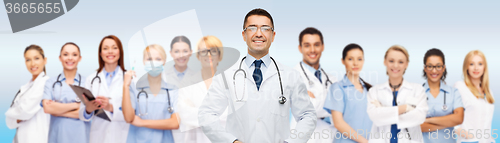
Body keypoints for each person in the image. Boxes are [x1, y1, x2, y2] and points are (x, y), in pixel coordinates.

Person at [198, 8, 316, 143]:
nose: (259, 34)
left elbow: (307, 115)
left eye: (265, 28)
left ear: (273, 35)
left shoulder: (291, 76)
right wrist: (231, 141)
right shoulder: (226, 76)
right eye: (252, 28)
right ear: (244, 35)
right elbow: (206, 114)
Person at [367, 45, 428, 143]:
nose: (395, 65)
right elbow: (375, 117)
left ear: (406, 64)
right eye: (391, 61)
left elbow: (419, 117)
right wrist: (405, 108)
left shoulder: (417, 90)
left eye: (400, 62)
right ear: (385, 62)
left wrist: (383, 111)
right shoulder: (374, 91)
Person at [122, 44, 179, 143]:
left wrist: (142, 122)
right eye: (149, 59)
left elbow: (175, 123)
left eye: (158, 59)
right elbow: (128, 118)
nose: (153, 63)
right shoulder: (135, 88)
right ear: (144, 62)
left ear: (164, 62)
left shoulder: (172, 89)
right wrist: (125, 86)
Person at [79, 35, 130, 143]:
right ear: (100, 53)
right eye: (105, 48)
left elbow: (133, 114)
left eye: (114, 48)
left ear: (120, 52)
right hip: (98, 137)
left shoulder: (130, 78)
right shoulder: (91, 79)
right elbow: (82, 115)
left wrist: (111, 107)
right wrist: (88, 109)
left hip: (122, 136)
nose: (110, 51)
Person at [177, 35, 228, 143]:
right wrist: (215, 115)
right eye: (203, 51)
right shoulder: (187, 83)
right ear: (198, 56)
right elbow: (185, 114)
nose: (208, 55)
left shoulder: (229, 83)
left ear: (219, 55)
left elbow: (231, 115)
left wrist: (200, 114)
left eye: (213, 51)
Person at [292, 27, 336, 143]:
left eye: (316, 45)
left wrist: (316, 103)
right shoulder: (291, 77)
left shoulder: (332, 79)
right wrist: (335, 109)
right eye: (307, 45)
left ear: (322, 47)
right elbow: (309, 109)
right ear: (300, 48)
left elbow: (345, 111)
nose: (312, 50)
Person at [41, 42, 90, 143]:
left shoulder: (88, 83)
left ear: (80, 58)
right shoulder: (51, 83)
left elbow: (88, 113)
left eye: (74, 55)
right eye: (66, 54)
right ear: (60, 58)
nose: (70, 58)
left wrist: (57, 110)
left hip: (81, 138)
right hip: (57, 137)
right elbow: (47, 108)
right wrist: (77, 105)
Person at [324, 43, 373, 143]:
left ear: (363, 61)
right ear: (343, 61)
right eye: (350, 59)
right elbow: (338, 123)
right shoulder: (337, 88)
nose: (355, 63)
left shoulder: (369, 90)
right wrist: (365, 142)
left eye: (359, 59)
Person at [5, 45, 50, 143]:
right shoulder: (24, 88)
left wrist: (11, 114)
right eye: (28, 60)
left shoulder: (46, 84)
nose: (32, 63)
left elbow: (25, 111)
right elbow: (9, 123)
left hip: (38, 139)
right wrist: (15, 116)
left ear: (45, 60)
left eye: (36, 58)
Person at [419, 48, 463, 143]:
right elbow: (416, 127)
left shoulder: (453, 92)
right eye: (430, 66)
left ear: (444, 68)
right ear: (425, 68)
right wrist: (449, 121)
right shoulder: (416, 93)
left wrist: (427, 120)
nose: (434, 71)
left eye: (438, 66)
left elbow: (459, 118)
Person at [454, 50, 495, 143]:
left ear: (484, 67)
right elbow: (449, 118)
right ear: (466, 67)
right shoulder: (460, 87)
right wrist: (468, 135)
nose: (476, 68)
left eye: (480, 64)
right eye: (471, 64)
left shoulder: (489, 92)